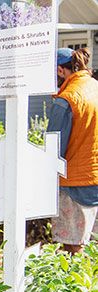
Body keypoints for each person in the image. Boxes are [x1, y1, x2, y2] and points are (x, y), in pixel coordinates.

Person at [47, 47, 98, 254]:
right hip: (94, 175)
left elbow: (53, 148)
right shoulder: (94, 87)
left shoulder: (67, 99)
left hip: (73, 181)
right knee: (92, 248)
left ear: (60, 71)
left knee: (72, 247)